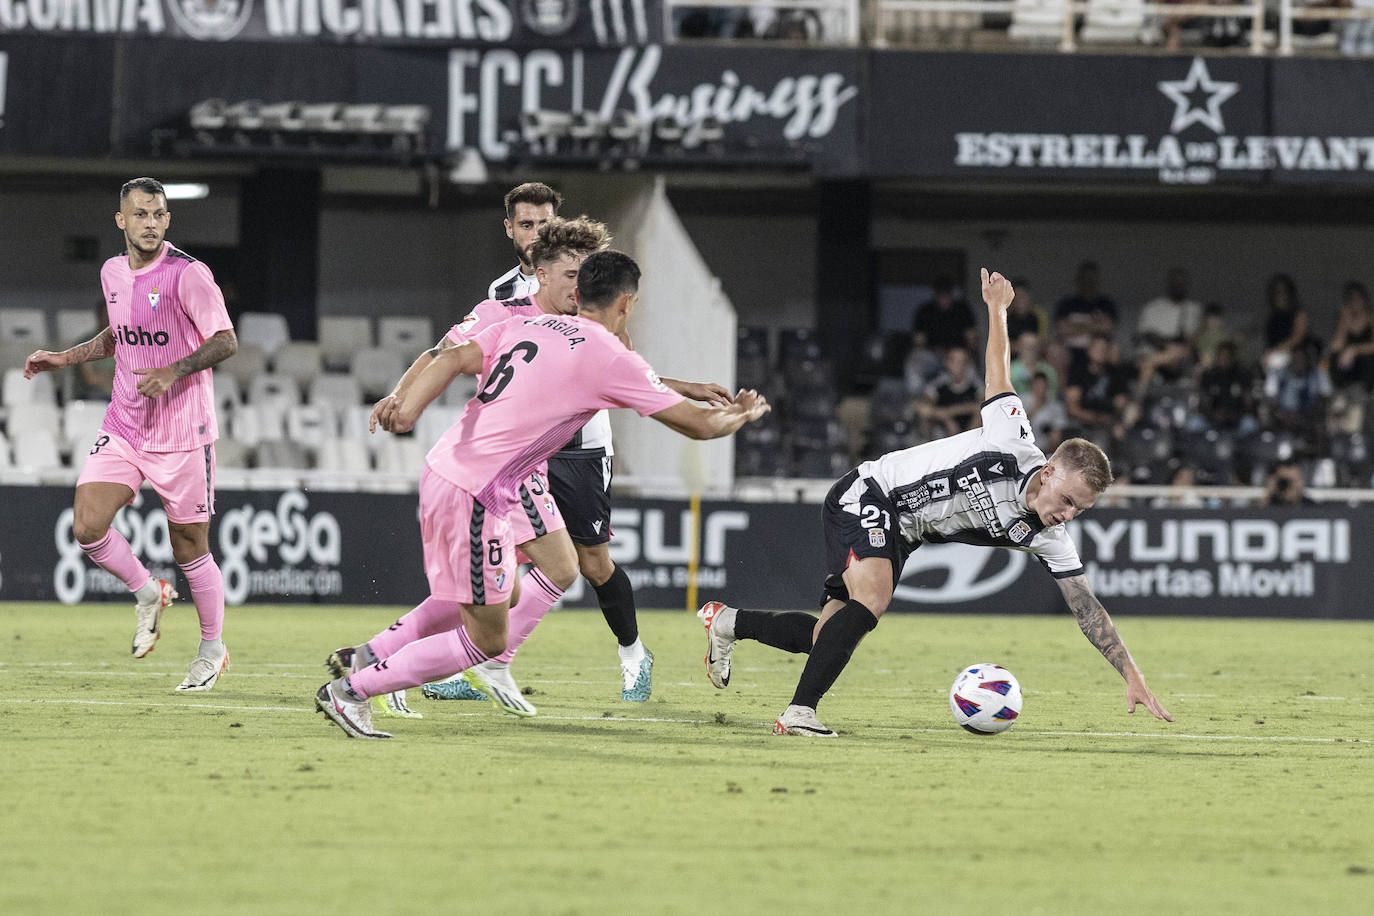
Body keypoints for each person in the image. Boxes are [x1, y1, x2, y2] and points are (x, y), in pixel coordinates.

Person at [696, 267, 1173, 738]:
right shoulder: (1011, 440)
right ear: (1048, 472)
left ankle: (729, 622)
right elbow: (997, 371)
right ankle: (799, 712)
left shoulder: (1050, 536)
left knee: (828, 638)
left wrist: (1132, 674)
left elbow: (1087, 607)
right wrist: (996, 309)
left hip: (904, 531)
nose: (1068, 514)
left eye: (1079, 511)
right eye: (1067, 500)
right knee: (872, 600)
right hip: (872, 493)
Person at [314, 250, 770, 739]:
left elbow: (453, 355)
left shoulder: (529, 325)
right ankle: (352, 692)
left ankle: (370, 658)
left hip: (452, 468)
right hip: (478, 490)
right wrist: (741, 414)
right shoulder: (608, 355)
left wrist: (407, 411)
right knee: (488, 638)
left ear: (578, 294)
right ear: (627, 303)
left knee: (509, 588)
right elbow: (699, 426)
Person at [22, 177, 237, 691]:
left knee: (189, 546)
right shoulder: (112, 271)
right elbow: (118, 336)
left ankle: (211, 650)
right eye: (140, 214)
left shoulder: (190, 275)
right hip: (125, 425)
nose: (150, 223)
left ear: (168, 220)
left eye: (159, 214)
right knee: (87, 525)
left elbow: (226, 340)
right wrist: (64, 357)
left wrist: (176, 370)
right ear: (121, 220)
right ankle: (146, 591)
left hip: (184, 432)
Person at [487, 182, 562, 301]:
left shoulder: (575, 284)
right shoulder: (499, 290)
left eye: (544, 225)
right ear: (509, 228)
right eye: (526, 225)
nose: (537, 235)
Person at [1134, 267, 1202, 395]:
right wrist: (1167, 346)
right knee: (1147, 363)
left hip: (1183, 357)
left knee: (1199, 364)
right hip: (1158, 355)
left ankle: (1198, 405)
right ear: (1169, 284)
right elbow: (1147, 334)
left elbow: (1192, 338)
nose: (1179, 286)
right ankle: (1136, 403)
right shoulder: (1153, 307)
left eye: (1182, 283)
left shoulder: (1193, 308)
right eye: (1176, 283)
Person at [1328, 281, 1374, 391]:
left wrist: (1354, 349)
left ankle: (1363, 394)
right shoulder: (1345, 317)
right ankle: (1340, 391)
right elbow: (1336, 346)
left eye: (1359, 298)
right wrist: (1344, 321)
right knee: (1335, 357)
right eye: (1352, 299)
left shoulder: (1371, 317)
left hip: (1366, 358)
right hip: (1347, 361)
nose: (1356, 302)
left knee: (1367, 360)